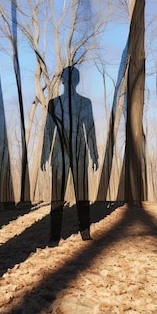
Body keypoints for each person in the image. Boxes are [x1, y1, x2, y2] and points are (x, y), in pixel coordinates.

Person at [41, 65, 99, 245]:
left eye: (72, 78)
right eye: (68, 78)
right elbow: (48, 130)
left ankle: (85, 231)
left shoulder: (85, 103)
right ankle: (54, 236)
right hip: (59, 152)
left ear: (76, 81)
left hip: (80, 150)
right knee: (57, 196)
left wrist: (94, 153)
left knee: (82, 193)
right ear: (64, 81)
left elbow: (90, 129)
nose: (70, 81)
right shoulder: (54, 103)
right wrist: (45, 154)